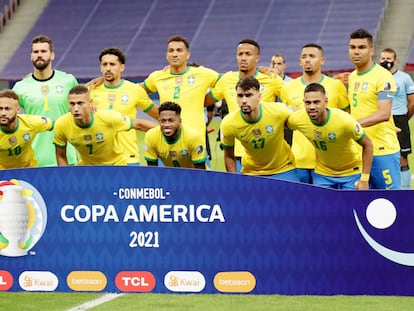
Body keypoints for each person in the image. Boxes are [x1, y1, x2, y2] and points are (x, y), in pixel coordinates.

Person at [205, 39, 284, 172]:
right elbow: (205, 101)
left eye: (248, 54)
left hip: (266, 152)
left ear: (257, 58)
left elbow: (294, 98)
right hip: (235, 151)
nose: (243, 58)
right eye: (240, 54)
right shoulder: (227, 79)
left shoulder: (271, 79)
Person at [279, 43, 349, 184]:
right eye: (304, 57)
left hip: (328, 163)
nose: (307, 60)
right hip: (299, 161)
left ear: (322, 60)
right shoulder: (287, 88)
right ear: (299, 61)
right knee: (301, 204)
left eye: (312, 56)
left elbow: (347, 117)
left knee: (326, 205)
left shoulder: (336, 86)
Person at [287, 83, 373, 190]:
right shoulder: (297, 119)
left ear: (326, 102)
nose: (312, 107)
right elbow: (278, 125)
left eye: (316, 102)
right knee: (322, 206)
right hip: (323, 173)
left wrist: (364, 179)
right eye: (308, 103)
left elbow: (368, 144)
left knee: (350, 206)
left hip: (351, 172)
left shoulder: (344, 121)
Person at [142, 35, 219, 148]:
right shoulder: (158, 76)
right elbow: (138, 91)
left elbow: (226, 83)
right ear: (167, 55)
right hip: (168, 142)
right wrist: (155, 112)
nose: (174, 54)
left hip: (195, 142)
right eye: (171, 51)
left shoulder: (203, 74)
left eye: (179, 50)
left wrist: (207, 100)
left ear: (187, 54)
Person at [12, 34, 78, 166]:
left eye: (43, 51)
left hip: (67, 158)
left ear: (52, 55)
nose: (39, 55)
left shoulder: (68, 81)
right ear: (31, 56)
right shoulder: (20, 87)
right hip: (35, 161)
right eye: (35, 52)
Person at [348, 28, 400, 190]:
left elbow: (384, 113)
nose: (356, 52)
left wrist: (353, 125)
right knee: (361, 206)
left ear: (371, 51)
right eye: (352, 47)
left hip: (382, 150)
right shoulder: (352, 77)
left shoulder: (383, 76)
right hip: (359, 151)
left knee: (391, 204)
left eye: (361, 47)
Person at [54, 85, 156, 166]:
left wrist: (163, 131)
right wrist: (66, 177)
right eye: (72, 104)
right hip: (87, 170)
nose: (76, 108)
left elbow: (138, 124)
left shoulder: (108, 118)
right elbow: (61, 155)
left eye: (80, 103)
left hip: (116, 167)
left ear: (90, 103)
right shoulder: (62, 124)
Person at [89, 47, 159, 165]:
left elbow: (158, 116)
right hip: (99, 159)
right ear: (100, 68)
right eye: (104, 64)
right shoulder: (91, 90)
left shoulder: (135, 90)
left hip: (128, 158)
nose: (108, 68)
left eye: (112, 64)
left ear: (122, 67)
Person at [220, 76, 298, 181]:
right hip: (251, 171)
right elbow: (228, 155)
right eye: (240, 96)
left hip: (283, 169)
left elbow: (301, 120)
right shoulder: (229, 123)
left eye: (248, 95)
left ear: (259, 97)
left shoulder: (278, 111)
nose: (244, 100)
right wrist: (234, 181)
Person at [379, 48, 414, 189]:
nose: (385, 61)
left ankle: (404, 191)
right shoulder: (378, 77)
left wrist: (405, 119)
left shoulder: (404, 78)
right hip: (381, 120)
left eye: (388, 58)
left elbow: (412, 103)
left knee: (402, 158)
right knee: (382, 156)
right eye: (383, 59)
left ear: (395, 60)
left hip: (400, 118)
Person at [0, 89, 54, 169]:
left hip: (28, 171)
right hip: (2, 172)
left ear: (18, 110)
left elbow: (56, 123)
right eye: (0, 109)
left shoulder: (31, 123)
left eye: (7, 109)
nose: (3, 113)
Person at [144, 101, 206, 169]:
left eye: (171, 120)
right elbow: (152, 171)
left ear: (180, 121)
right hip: (171, 177)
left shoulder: (194, 137)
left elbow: (200, 174)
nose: (166, 125)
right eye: (163, 121)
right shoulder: (151, 136)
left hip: (192, 177)